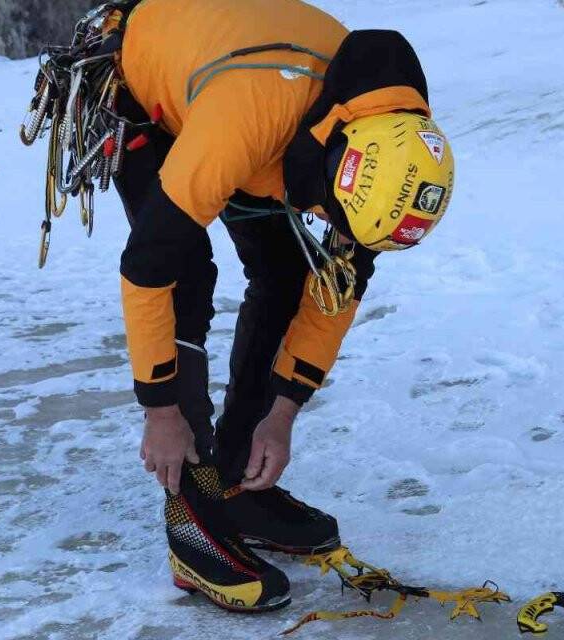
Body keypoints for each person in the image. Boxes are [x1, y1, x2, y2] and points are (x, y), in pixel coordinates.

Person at [102, 0, 455, 613]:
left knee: (293, 274)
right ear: (328, 167)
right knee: (185, 272)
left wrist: (284, 409)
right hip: (149, 78)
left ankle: (236, 479)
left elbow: (337, 286)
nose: (323, 223)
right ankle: (194, 518)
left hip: (256, 97)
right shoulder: (244, 125)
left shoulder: (390, 142)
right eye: (324, 212)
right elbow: (146, 268)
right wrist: (160, 410)